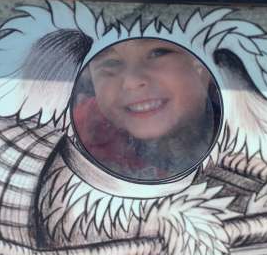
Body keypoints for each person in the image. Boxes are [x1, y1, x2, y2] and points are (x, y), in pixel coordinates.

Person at [72, 38, 219, 181]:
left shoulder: (237, 132)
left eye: (158, 53)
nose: (132, 81)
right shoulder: (79, 132)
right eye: (111, 62)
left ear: (204, 68)